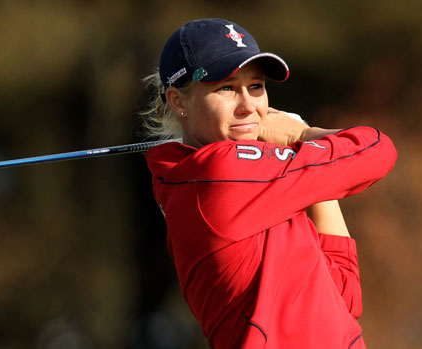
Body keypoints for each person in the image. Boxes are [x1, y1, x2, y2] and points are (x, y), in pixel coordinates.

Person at [141, 18, 397, 348]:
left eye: (256, 87)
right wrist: (302, 135)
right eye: (226, 88)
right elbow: (376, 150)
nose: (249, 107)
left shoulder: (257, 188)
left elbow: (342, 295)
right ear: (178, 101)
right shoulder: (220, 174)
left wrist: (309, 163)